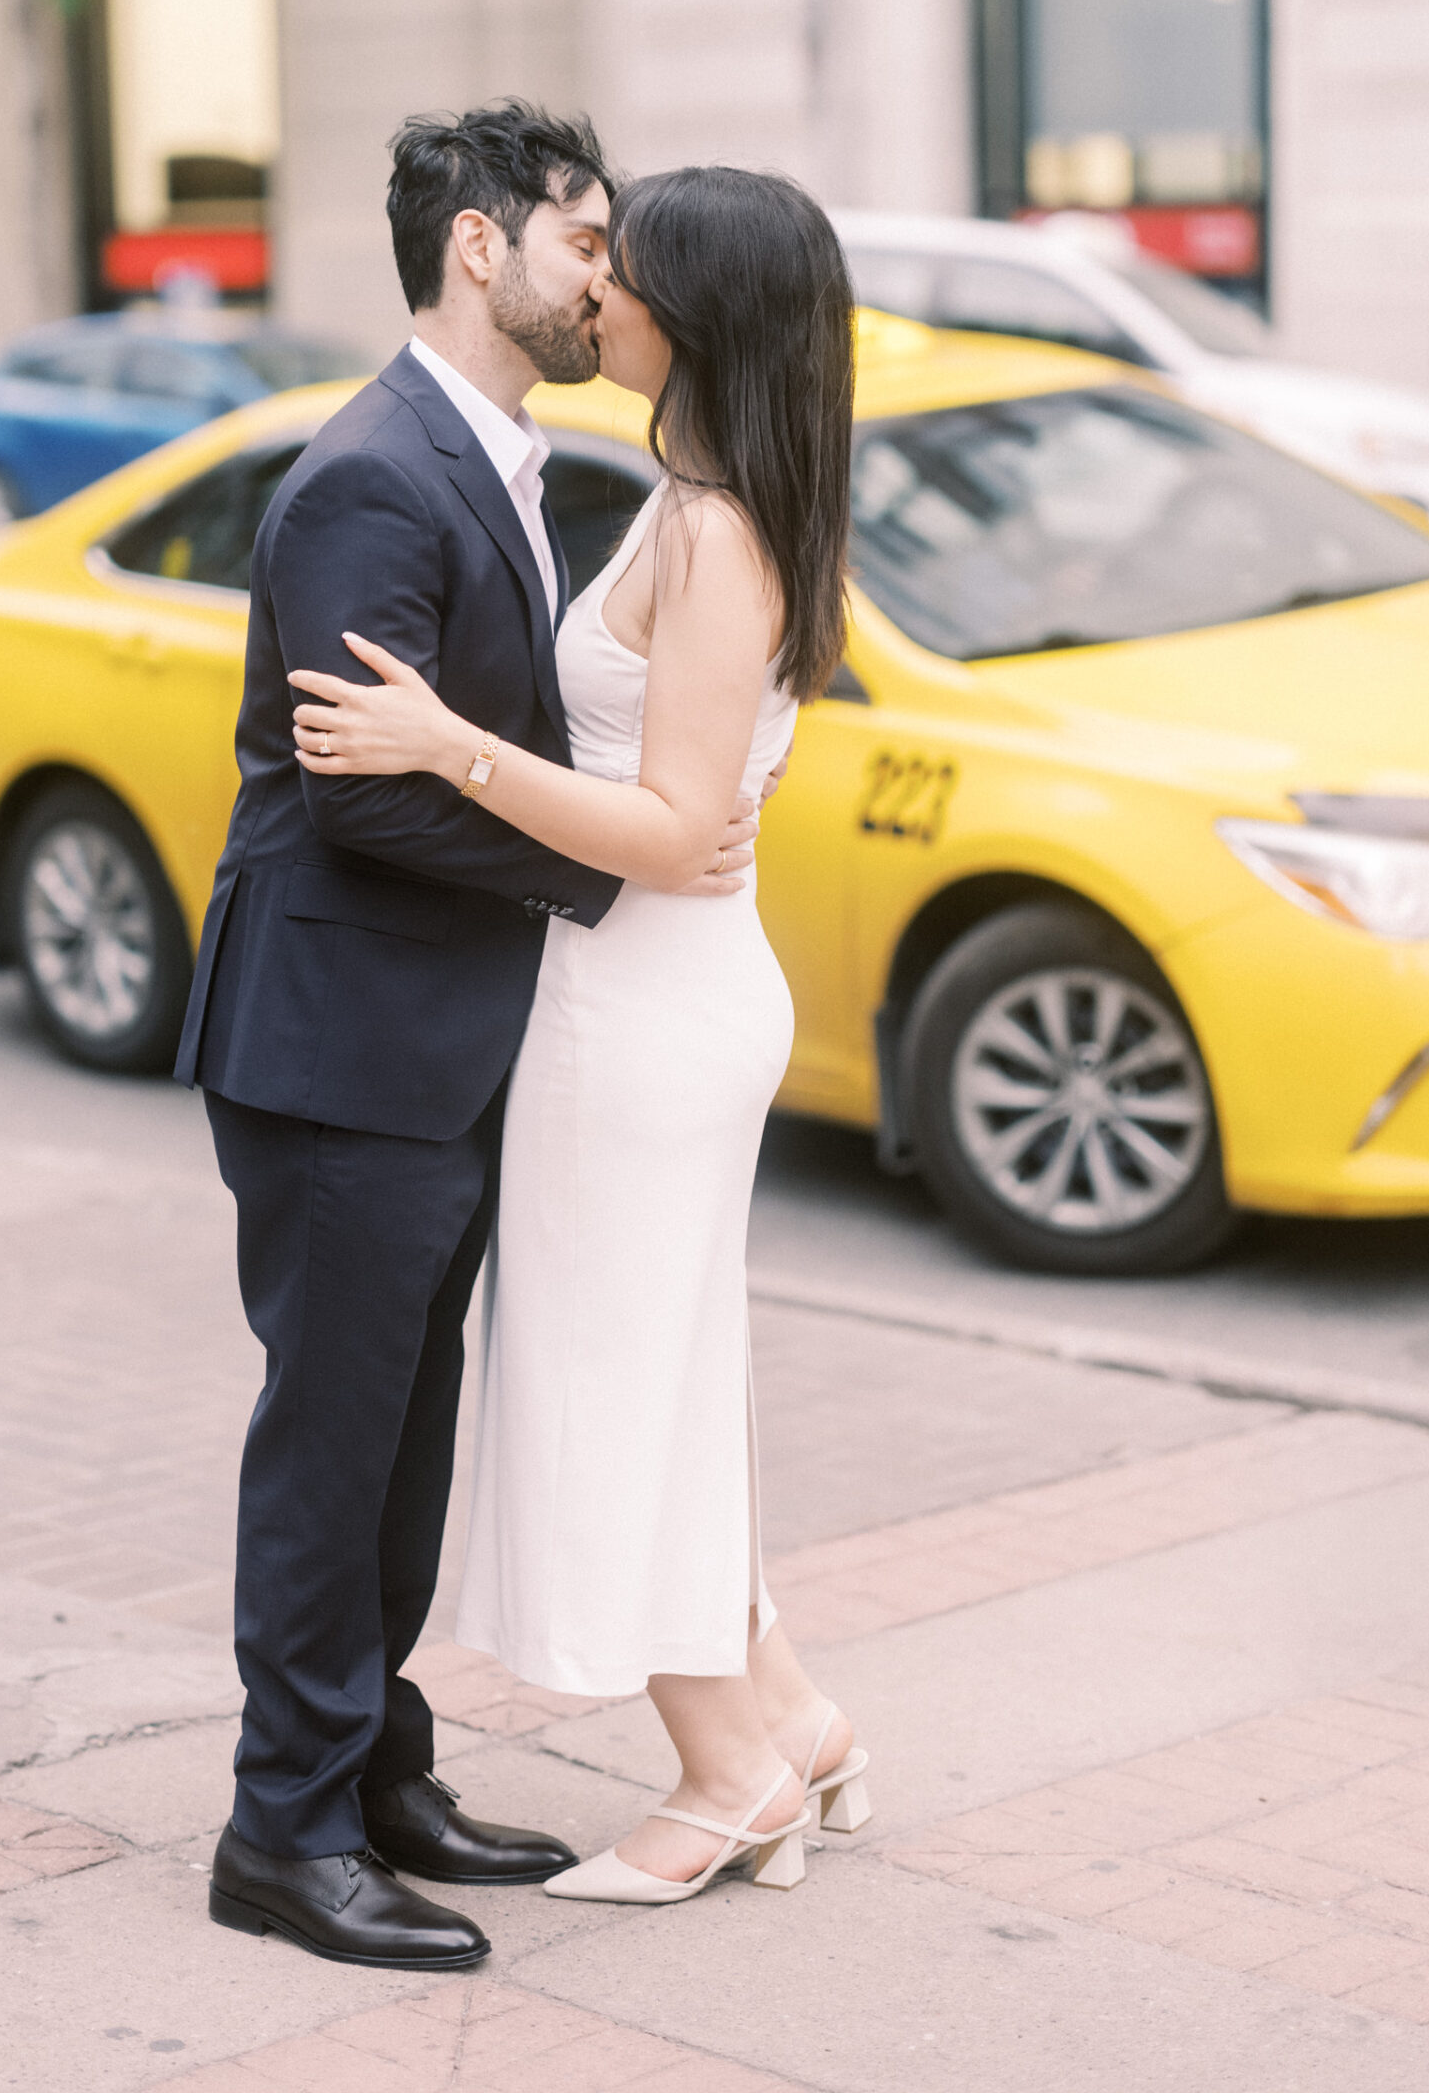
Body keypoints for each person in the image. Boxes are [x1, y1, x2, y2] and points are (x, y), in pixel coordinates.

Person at [176, 102, 766, 1971]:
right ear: (480, 251)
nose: (606, 274)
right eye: (582, 238)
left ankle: (376, 1773)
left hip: (429, 1040)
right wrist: (620, 880)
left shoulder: (499, 458)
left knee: (404, 1440)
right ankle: (281, 1830)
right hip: (341, 1034)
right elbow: (361, 793)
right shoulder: (371, 474)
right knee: (335, 1444)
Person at [292, 163, 870, 1908]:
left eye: (627, 270)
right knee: (674, 1383)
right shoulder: (708, 493)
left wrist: (437, 745)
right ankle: (797, 1723)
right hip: (662, 994)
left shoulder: (711, 531)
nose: (596, 293)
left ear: (694, 317)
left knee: (621, 1394)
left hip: (645, 1011)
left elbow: (674, 825)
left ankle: (725, 1777)